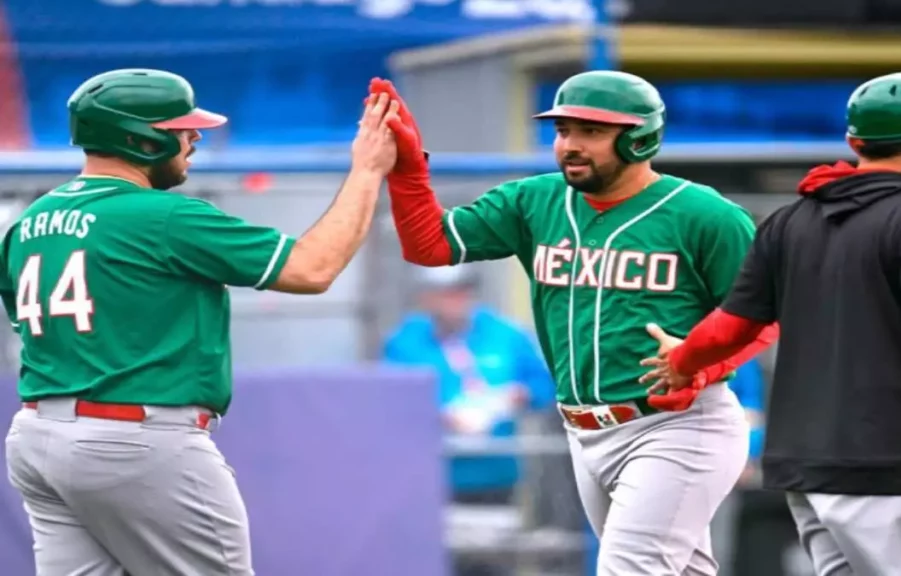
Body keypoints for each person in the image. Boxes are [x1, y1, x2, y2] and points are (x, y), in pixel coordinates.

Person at [371, 71, 778, 575]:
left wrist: (698, 359)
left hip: (678, 425)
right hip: (585, 429)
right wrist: (409, 170)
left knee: (628, 568)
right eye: (564, 130)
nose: (570, 145)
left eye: (591, 131)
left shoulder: (705, 215)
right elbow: (430, 245)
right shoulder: (534, 201)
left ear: (639, 137)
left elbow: (763, 316)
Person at [1, 68, 398, 575]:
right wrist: (366, 171)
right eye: (180, 130)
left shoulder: (29, 221)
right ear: (136, 138)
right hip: (133, 440)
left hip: (40, 435)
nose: (193, 140)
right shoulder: (161, 214)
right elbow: (312, 268)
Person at [640, 71, 901, 575]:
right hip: (897, 470)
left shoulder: (791, 221)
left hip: (808, 471)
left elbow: (733, 325)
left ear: (854, 141)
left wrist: (683, 360)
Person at [382, 265, 555, 576]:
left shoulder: (506, 334)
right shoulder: (405, 341)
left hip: (493, 473)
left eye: (462, 292)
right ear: (426, 299)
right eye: (445, 293)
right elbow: (388, 398)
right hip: (428, 475)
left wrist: (518, 396)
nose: (455, 300)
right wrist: (436, 414)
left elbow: (544, 385)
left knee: (488, 562)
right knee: (431, 560)